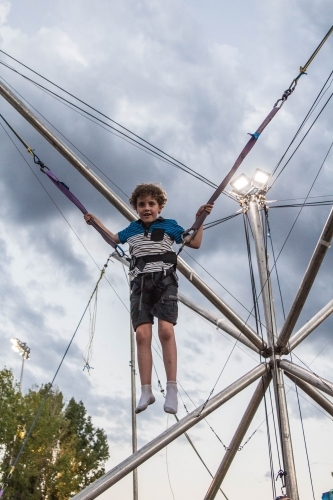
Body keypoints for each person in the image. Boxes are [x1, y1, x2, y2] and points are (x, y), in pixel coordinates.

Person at [84, 183, 213, 414]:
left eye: (151, 204)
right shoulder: (132, 229)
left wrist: (199, 220)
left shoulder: (169, 226)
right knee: (142, 335)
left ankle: (172, 388)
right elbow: (113, 239)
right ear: (135, 207)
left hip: (164, 282)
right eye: (141, 204)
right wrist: (95, 222)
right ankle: (146, 390)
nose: (146, 208)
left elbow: (194, 242)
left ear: (159, 207)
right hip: (140, 285)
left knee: (166, 331)